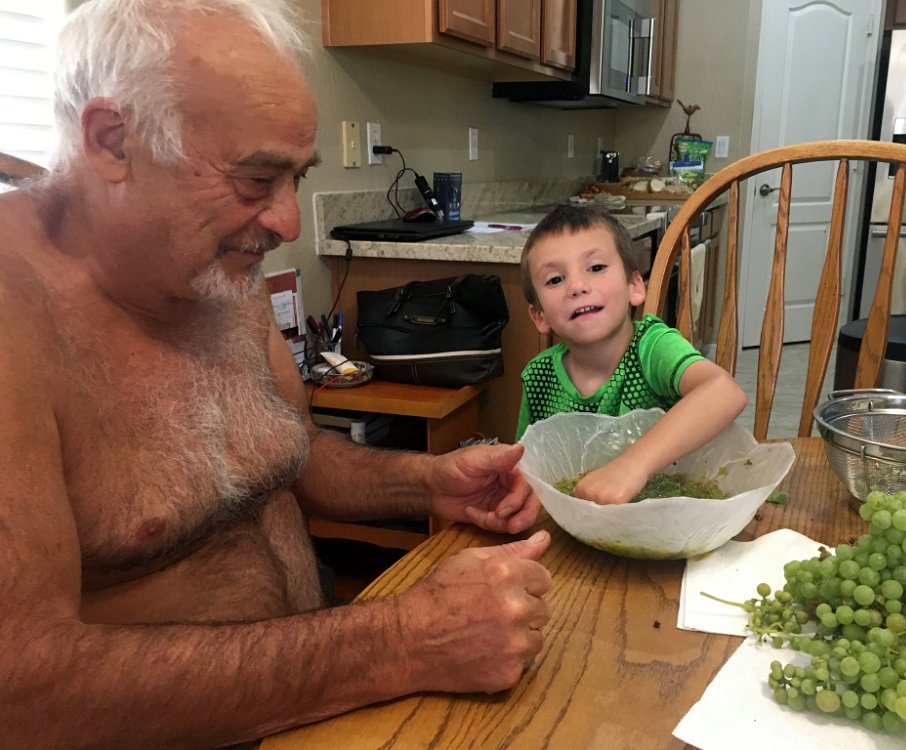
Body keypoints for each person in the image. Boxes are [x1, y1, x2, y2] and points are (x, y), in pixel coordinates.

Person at [0, 1, 553, 748]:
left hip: (318, 697)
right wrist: (399, 641)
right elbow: (20, 691)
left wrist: (426, 483)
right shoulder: (16, 316)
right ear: (112, 140)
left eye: (296, 177)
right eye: (257, 179)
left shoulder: (213, 266)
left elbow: (285, 454)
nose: (288, 223)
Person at [516, 205, 748, 505]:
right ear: (539, 316)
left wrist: (631, 466)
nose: (577, 286)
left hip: (670, 511)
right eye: (555, 280)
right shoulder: (539, 377)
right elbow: (528, 469)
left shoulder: (652, 348)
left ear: (634, 286)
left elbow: (725, 392)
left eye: (596, 268)